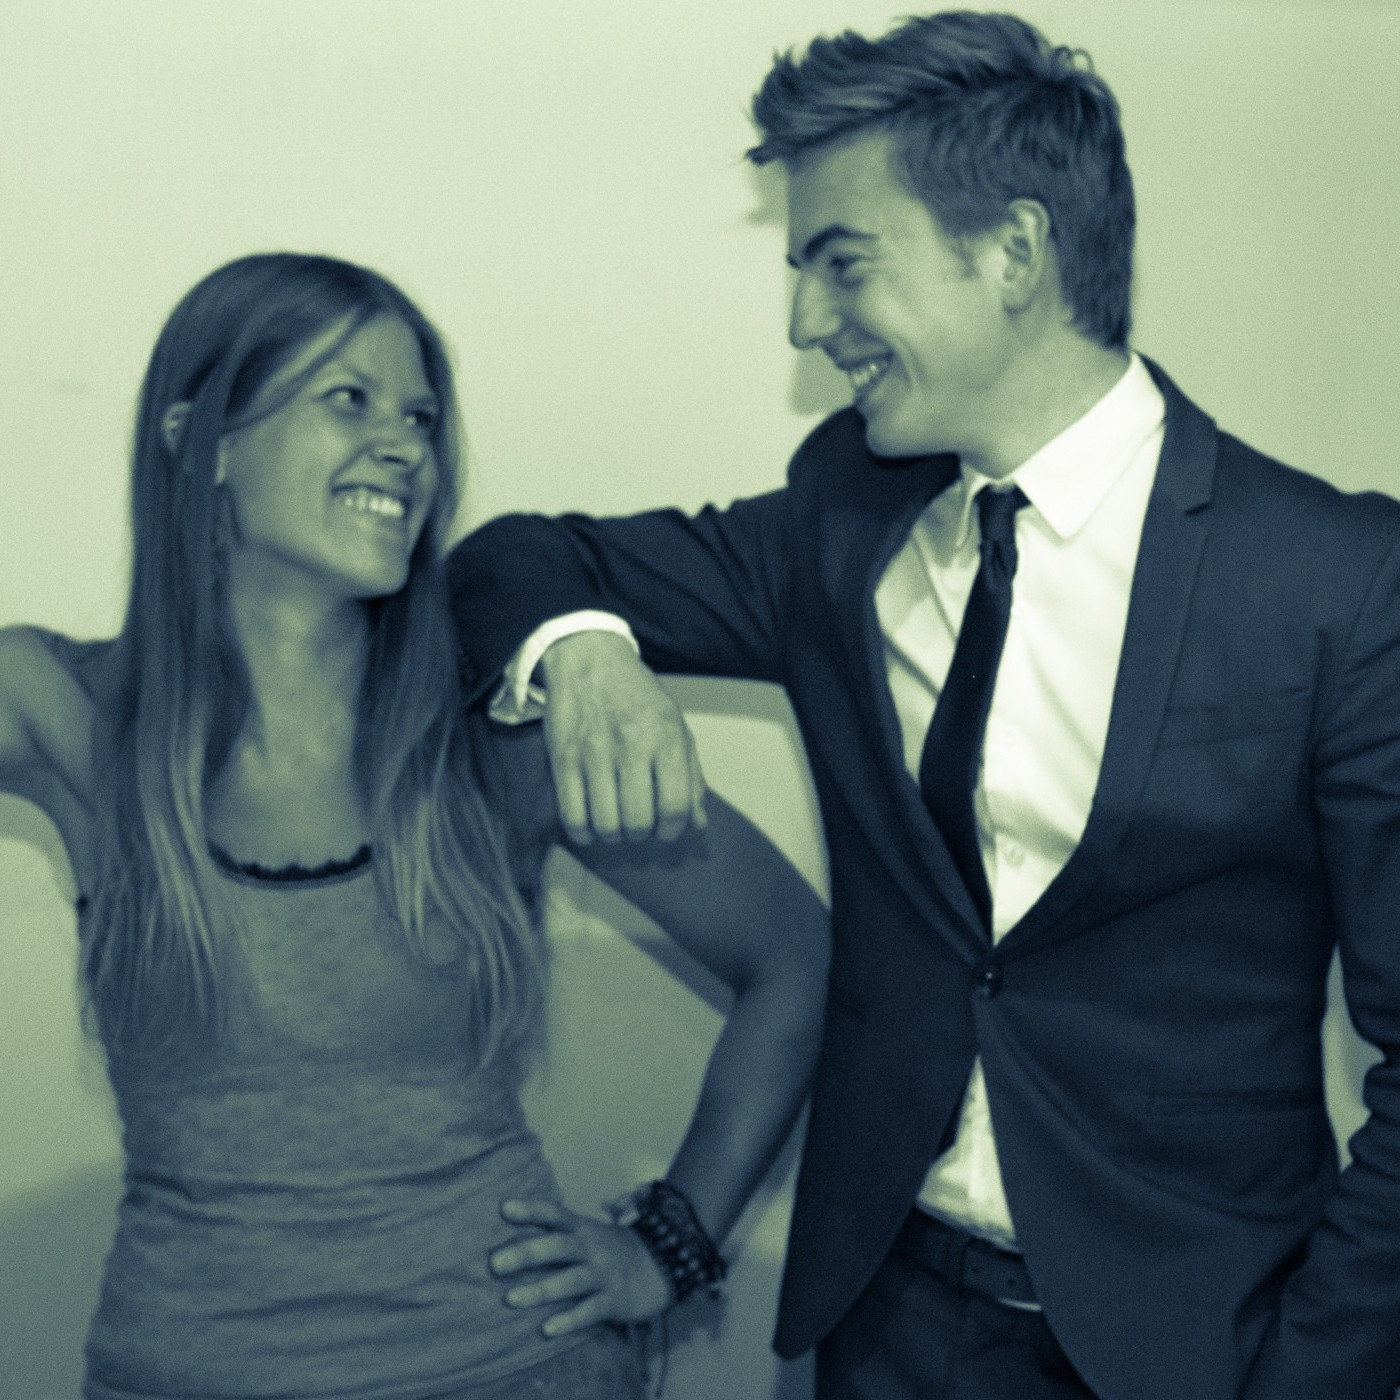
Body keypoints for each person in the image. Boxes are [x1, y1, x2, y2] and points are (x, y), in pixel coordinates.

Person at [445, 11, 1400, 1400]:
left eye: (841, 262)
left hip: (1193, 1354)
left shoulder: (1334, 578)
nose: (802, 322)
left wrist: (1307, 1380)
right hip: (880, 1324)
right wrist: (586, 654)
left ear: (1013, 250)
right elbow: (512, 563)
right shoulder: (842, 517)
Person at [0, 252, 829, 1400]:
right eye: (348, 398)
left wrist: (668, 1244)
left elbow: (795, 957)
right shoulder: (66, 709)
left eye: (421, 417)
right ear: (204, 443)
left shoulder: (497, 735)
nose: (404, 446)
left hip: (516, 1366)